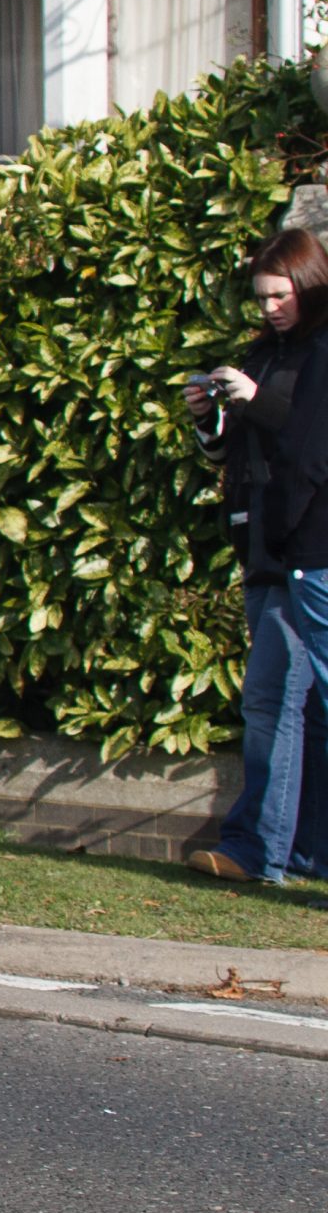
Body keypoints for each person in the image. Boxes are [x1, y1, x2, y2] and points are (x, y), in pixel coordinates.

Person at [193, 229, 328, 882]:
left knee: (272, 697)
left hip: (299, 546)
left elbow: (307, 439)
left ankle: (257, 849)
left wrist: (256, 399)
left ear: (308, 285)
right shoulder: (265, 355)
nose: (272, 306)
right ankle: (293, 849)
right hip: (263, 541)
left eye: (282, 294)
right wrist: (210, 415)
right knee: (286, 700)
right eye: (263, 296)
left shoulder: (315, 357)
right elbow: (230, 454)